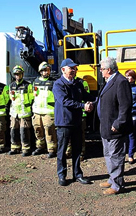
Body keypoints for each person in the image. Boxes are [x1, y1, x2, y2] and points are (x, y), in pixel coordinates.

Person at [52, 58, 95, 186]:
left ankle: (78, 174)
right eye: (71, 68)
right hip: (64, 122)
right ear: (63, 69)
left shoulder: (78, 83)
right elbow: (64, 101)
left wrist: (98, 99)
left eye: (75, 68)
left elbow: (86, 96)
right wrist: (83, 106)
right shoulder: (58, 84)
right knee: (62, 150)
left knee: (77, 149)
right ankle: (62, 175)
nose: (74, 70)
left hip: (76, 121)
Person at [96, 57, 132, 195]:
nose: (100, 71)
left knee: (116, 156)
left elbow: (125, 106)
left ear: (109, 70)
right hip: (106, 126)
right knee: (108, 154)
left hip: (115, 128)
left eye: (102, 68)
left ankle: (117, 185)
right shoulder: (109, 81)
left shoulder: (121, 81)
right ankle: (112, 179)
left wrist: (118, 123)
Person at [31, 62, 57, 158]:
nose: (46, 72)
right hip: (37, 111)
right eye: (44, 70)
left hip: (48, 111)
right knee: (38, 129)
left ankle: (52, 149)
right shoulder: (35, 81)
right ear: (40, 71)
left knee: (49, 130)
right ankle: (40, 147)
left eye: (48, 70)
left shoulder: (53, 82)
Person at [8, 65, 34, 157]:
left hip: (24, 112)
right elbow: (10, 98)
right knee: (13, 130)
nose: (17, 76)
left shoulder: (28, 85)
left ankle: (26, 148)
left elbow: (31, 98)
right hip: (14, 113)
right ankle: (15, 148)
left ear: (22, 74)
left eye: (19, 74)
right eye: (16, 74)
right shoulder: (11, 85)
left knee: (24, 131)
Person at [66, 74, 90, 161]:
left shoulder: (82, 83)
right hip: (69, 114)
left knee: (80, 135)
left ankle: (81, 153)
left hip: (80, 113)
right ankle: (69, 151)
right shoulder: (64, 83)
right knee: (68, 135)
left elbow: (86, 97)